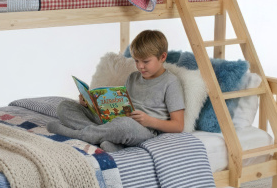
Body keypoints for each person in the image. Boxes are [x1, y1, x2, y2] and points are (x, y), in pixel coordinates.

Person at [47, 30, 185, 152]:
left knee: (124, 125)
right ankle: (109, 140)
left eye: (145, 61)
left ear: (162, 57)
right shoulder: (133, 77)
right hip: (115, 121)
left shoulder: (171, 82)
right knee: (65, 106)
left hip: (142, 130)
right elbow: (121, 103)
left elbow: (178, 126)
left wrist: (149, 121)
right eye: (136, 61)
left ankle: (81, 135)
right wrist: (90, 103)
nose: (140, 66)